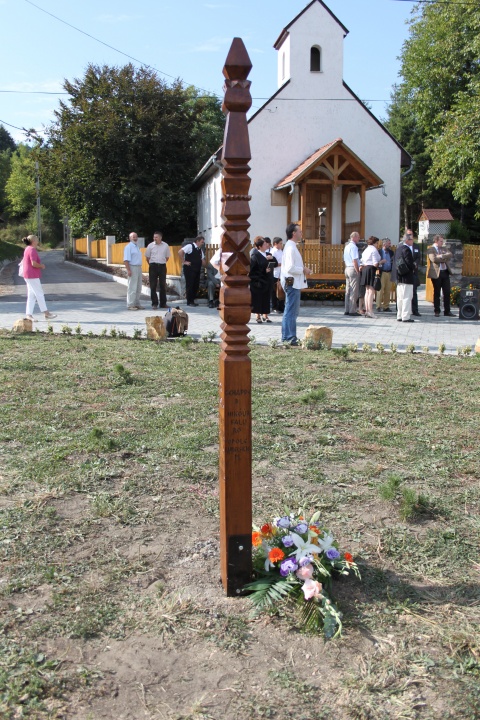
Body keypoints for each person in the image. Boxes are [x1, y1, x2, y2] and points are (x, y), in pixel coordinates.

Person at [280, 223, 313, 345]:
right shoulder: (290, 248)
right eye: (300, 231)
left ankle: (287, 336)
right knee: (291, 311)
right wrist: (303, 269)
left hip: (293, 283)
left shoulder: (291, 246)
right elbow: (290, 268)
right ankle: (289, 337)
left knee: (291, 311)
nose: (301, 233)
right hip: (292, 283)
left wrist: (303, 269)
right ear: (293, 233)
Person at [21, 235, 57, 321]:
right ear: (33, 241)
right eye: (37, 240)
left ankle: (29, 314)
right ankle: (46, 313)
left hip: (28, 275)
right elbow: (33, 263)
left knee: (32, 295)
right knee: (39, 294)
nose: (38, 241)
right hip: (32, 275)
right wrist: (41, 266)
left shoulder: (27, 248)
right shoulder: (32, 250)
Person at [427, 235, 456, 317]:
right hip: (437, 273)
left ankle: (447, 311)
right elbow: (434, 259)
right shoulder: (431, 249)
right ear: (436, 241)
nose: (442, 243)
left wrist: (442, 256)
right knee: (437, 292)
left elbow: (450, 254)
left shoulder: (443, 248)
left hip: (445, 272)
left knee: (447, 292)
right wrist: (443, 258)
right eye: (441, 241)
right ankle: (437, 310)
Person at [392, 232, 416, 322]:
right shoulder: (407, 249)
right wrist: (414, 266)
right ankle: (406, 316)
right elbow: (409, 262)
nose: (412, 241)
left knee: (400, 297)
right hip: (406, 277)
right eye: (411, 239)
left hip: (399, 276)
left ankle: (399, 315)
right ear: (407, 240)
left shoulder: (398, 249)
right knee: (407, 297)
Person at [249, 236, 273, 323]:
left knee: (266, 299)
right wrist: (264, 270)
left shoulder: (268, 254)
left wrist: (272, 259)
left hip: (267, 280)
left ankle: (265, 315)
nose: (266, 245)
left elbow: (275, 263)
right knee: (258, 299)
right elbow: (253, 270)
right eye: (264, 244)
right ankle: (258, 315)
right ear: (259, 246)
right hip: (258, 281)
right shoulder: (255, 256)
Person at [359, 236, 383, 318]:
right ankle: (370, 311)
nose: (378, 245)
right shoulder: (373, 250)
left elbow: (362, 261)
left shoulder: (366, 249)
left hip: (365, 269)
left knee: (367, 291)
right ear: (375, 243)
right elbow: (375, 263)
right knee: (371, 291)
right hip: (371, 269)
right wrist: (381, 262)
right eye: (377, 243)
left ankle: (367, 310)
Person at [145, 230, 170, 309]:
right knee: (153, 285)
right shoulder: (150, 246)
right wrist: (152, 264)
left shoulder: (165, 245)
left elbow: (167, 257)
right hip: (153, 266)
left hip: (162, 266)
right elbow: (147, 257)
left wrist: (161, 262)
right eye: (154, 237)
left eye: (156, 237)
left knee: (163, 285)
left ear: (160, 238)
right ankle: (154, 303)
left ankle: (163, 303)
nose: (154, 238)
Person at [178, 235, 205, 306]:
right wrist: (184, 261)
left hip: (197, 270)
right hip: (189, 269)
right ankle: (189, 301)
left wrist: (208, 266)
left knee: (195, 285)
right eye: (202, 242)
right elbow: (180, 252)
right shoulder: (190, 246)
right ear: (197, 241)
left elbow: (202, 260)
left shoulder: (200, 250)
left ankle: (192, 300)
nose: (203, 243)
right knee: (190, 285)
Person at [124, 231, 145, 310]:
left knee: (138, 287)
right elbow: (126, 260)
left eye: (136, 237)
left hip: (138, 267)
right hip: (132, 267)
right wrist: (128, 270)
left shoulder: (137, 247)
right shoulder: (128, 247)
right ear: (130, 238)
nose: (135, 238)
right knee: (132, 287)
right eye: (133, 237)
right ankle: (130, 304)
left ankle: (137, 303)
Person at [343, 231, 360, 315]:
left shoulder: (346, 246)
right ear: (354, 237)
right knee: (354, 290)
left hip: (347, 268)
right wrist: (357, 271)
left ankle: (347, 309)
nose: (359, 238)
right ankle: (352, 310)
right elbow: (354, 260)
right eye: (358, 237)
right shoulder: (354, 247)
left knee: (348, 290)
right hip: (352, 268)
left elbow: (344, 259)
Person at [376, 238, 394, 312]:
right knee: (380, 290)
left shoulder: (391, 252)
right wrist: (381, 262)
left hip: (389, 273)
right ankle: (378, 306)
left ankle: (386, 306)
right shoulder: (379, 252)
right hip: (382, 273)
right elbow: (376, 262)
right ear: (384, 244)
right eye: (389, 243)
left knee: (388, 290)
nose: (390, 245)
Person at [271, 237, 284, 313]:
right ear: (275, 244)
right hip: (275, 273)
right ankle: (274, 306)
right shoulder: (273, 252)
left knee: (281, 290)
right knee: (275, 291)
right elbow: (273, 264)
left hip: (282, 273)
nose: (281, 245)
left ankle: (281, 306)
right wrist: (282, 264)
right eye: (280, 243)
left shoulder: (281, 251)